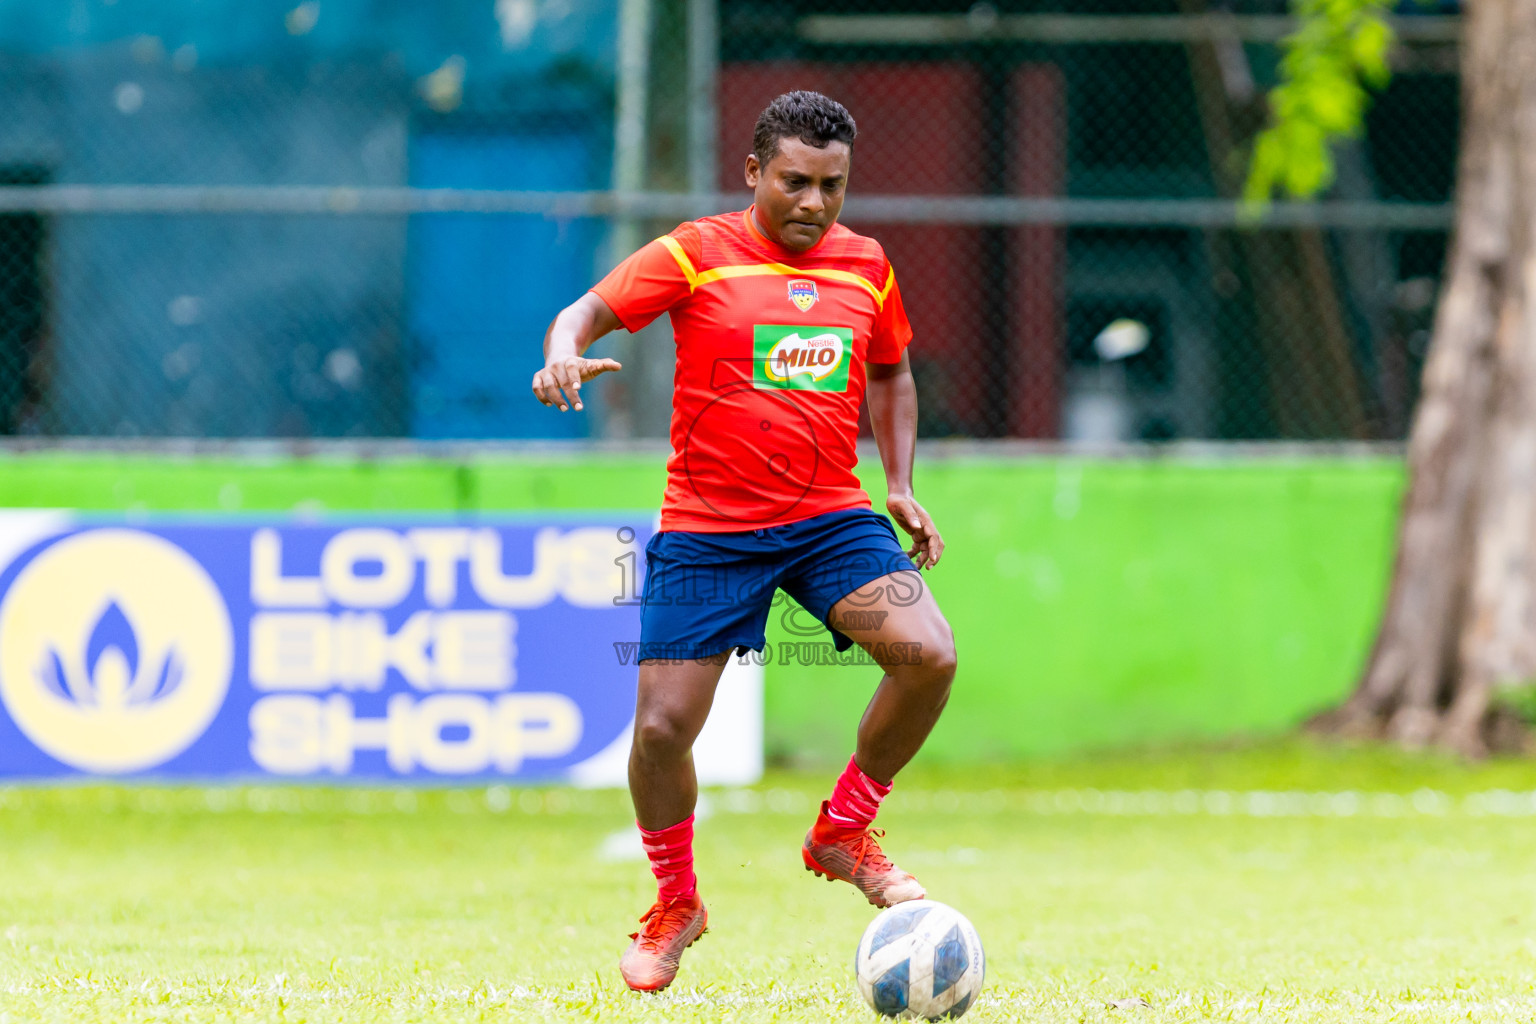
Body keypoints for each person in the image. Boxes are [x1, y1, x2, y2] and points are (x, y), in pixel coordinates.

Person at [531, 90, 958, 993]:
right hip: (709, 530)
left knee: (928, 655)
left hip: (828, 521)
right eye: (795, 182)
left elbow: (893, 373)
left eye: (832, 187)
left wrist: (901, 485)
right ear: (755, 171)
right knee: (660, 728)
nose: (813, 203)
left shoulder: (866, 267)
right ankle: (676, 901)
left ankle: (844, 829)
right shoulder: (694, 252)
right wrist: (563, 350)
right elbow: (586, 311)